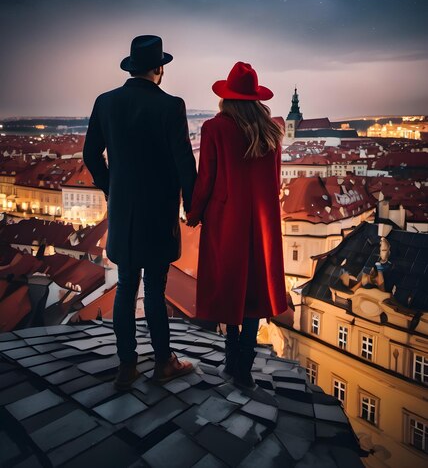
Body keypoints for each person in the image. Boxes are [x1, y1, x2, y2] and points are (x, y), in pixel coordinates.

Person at [83, 35, 197, 390]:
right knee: (155, 289)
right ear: (159, 68)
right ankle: (163, 362)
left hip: (122, 213)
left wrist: (110, 187)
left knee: (125, 287)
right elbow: (184, 163)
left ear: (132, 67)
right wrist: (193, 206)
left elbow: (91, 155)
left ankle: (126, 366)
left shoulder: (105, 102)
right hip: (159, 215)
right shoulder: (171, 106)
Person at [186, 61, 288, 389]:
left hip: (226, 218)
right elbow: (273, 183)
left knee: (230, 286)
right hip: (262, 220)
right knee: (255, 289)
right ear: (255, 98)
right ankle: (243, 367)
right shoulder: (273, 129)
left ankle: (231, 363)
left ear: (226, 97)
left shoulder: (215, 128)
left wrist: (194, 213)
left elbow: (206, 179)